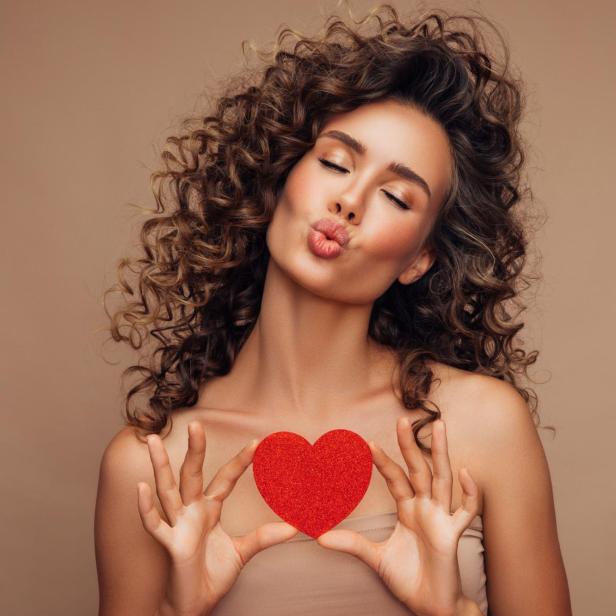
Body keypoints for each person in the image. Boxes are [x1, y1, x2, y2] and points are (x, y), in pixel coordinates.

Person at [94, 5, 572, 615]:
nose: (349, 200)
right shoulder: (149, 465)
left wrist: (446, 611)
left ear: (418, 259)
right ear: (279, 176)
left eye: (396, 197)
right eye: (335, 162)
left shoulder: (480, 430)